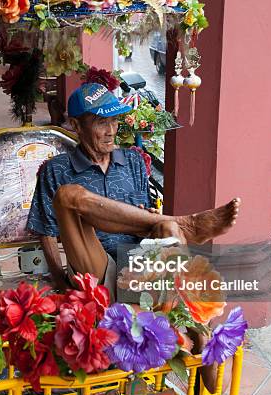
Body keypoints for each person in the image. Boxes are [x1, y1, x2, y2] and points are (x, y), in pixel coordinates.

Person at [27, 82, 241, 293]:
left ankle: (172, 311)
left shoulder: (133, 161)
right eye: (101, 122)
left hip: (138, 267)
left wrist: (153, 219)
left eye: (114, 121)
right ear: (76, 125)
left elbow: (142, 218)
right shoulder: (57, 169)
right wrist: (61, 284)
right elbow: (46, 233)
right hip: (94, 269)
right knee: (68, 195)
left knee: (170, 230)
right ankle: (187, 223)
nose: (111, 131)